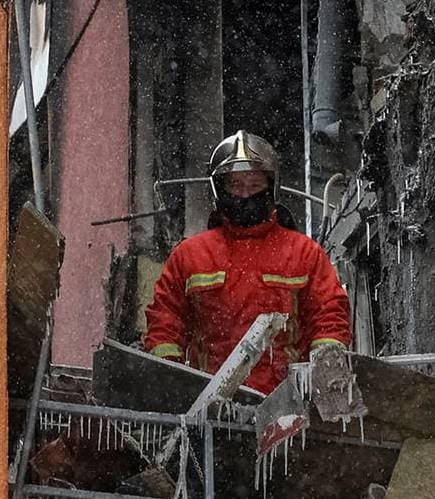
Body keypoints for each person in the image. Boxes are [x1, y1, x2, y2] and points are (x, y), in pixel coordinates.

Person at [143, 131, 351, 395]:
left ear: (271, 187)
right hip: (209, 407)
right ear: (219, 188)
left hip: (288, 407)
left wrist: (326, 379)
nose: (244, 195)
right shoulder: (189, 256)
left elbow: (329, 315)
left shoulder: (304, 254)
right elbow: (165, 324)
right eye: (235, 185)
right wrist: (170, 388)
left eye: (254, 185)